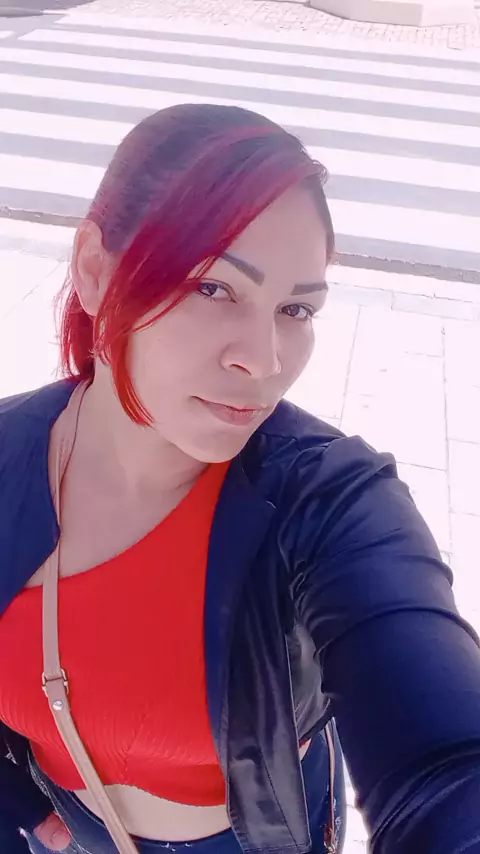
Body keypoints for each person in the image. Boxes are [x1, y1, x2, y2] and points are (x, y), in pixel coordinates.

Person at [1, 103, 480, 854]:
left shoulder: (330, 501)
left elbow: (445, 768)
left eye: (296, 308)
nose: (263, 361)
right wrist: (15, 806)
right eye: (213, 288)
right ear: (95, 269)